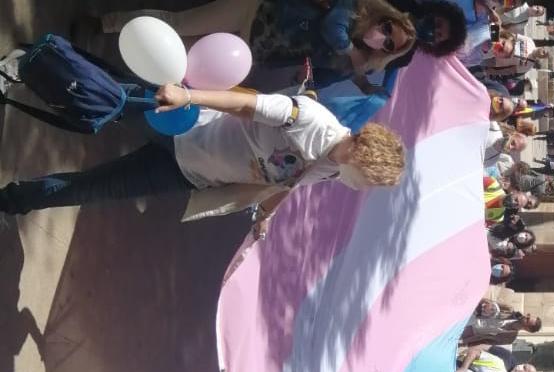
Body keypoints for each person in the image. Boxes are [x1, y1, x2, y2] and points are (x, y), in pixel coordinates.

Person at [0, 84, 405, 232]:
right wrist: (187, 96)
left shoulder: (333, 171)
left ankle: (11, 200)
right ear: (364, 157)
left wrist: (266, 215)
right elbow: (246, 105)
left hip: (186, 173)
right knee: (99, 99)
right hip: (184, 126)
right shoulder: (311, 120)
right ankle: (32, 68)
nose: (360, 188)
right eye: (367, 181)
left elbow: (290, 184)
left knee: (89, 188)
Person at [95, 0, 417, 92]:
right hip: (253, 11)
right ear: (385, 16)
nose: (383, 36)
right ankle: (108, 23)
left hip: (246, 51)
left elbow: (319, 79)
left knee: (179, 62)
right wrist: (352, 53)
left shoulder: (354, 59)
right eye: (388, 28)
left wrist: (357, 74)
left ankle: (111, 72)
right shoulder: (355, 8)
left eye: (389, 44)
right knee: (177, 24)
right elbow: (332, 26)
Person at [462, 300, 541, 345]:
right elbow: (488, 301)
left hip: (470, 334)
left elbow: (486, 342)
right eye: (528, 316)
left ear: (527, 329)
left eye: (527, 319)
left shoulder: (510, 339)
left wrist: (466, 343)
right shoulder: (509, 309)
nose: (526, 316)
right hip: (469, 316)